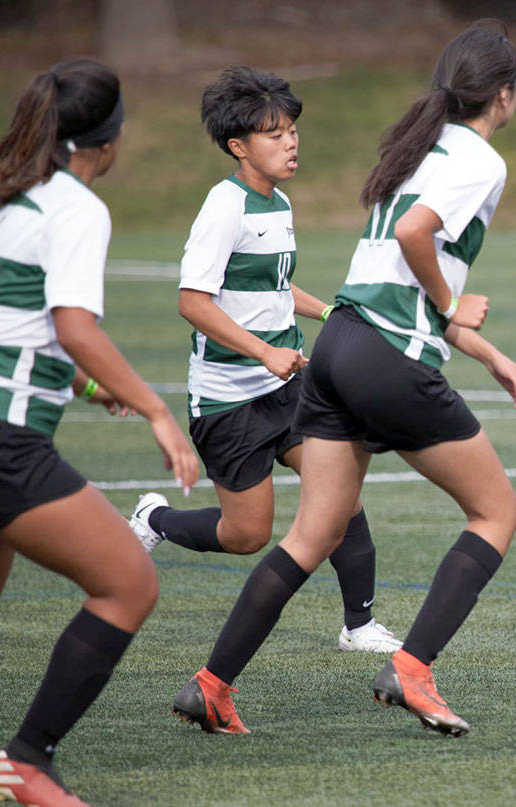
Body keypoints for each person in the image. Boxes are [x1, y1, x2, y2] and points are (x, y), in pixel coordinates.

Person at [169, 21, 516, 739]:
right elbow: (414, 238)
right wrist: (455, 305)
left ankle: (210, 684)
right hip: (386, 360)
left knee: (313, 533)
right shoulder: (481, 160)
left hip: (339, 342)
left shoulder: (417, 146)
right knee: (497, 514)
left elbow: (390, 277)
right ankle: (413, 667)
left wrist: (480, 346)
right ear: (506, 94)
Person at [125, 66, 399, 653]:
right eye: (274, 134)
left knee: (342, 492)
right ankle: (156, 520)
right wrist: (264, 351)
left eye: (292, 129)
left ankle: (359, 625)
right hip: (229, 398)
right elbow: (193, 302)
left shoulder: (279, 203)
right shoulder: (225, 208)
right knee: (247, 534)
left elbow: (274, 287)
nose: (291, 141)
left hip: (289, 388)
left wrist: (330, 313)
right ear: (238, 146)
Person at [0, 58, 199, 807]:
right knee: (127, 581)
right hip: (5, 442)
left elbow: (11, 329)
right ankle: (28, 761)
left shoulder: (7, 195)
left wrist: (85, 386)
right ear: (108, 139)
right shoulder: (76, 208)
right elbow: (72, 325)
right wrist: (151, 405)